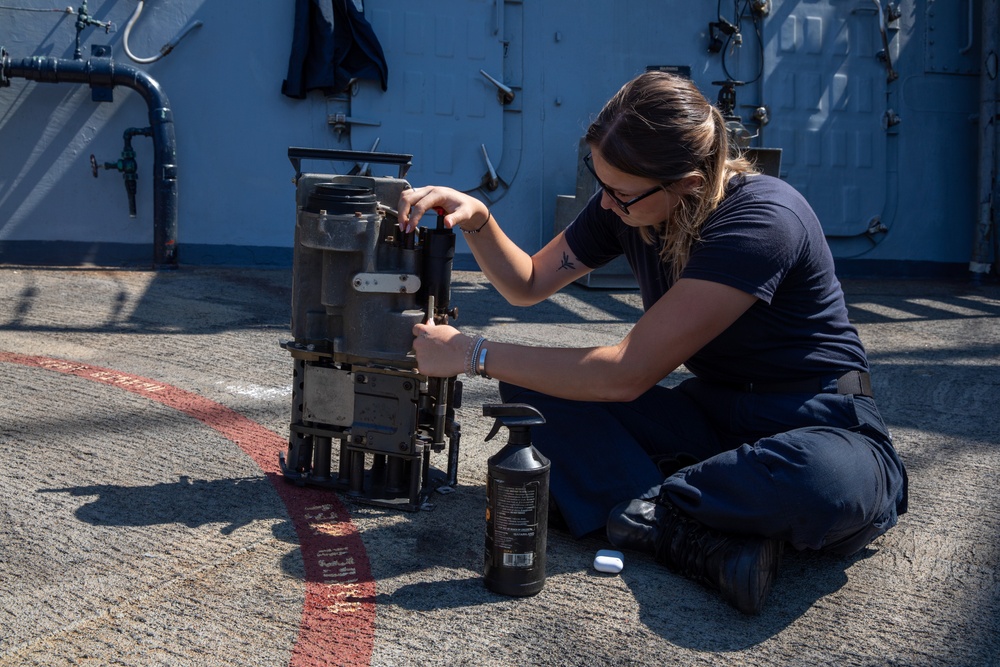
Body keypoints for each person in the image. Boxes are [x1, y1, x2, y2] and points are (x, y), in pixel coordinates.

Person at [396, 70, 908, 615]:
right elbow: (528, 283)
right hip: (712, 415)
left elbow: (626, 374)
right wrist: (479, 219)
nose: (607, 204)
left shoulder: (763, 220)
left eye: (620, 192)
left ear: (687, 181)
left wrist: (472, 352)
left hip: (817, 417)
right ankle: (688, 521)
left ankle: (640, 509)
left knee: (824, 482)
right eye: (601, 183)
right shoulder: (629, 205)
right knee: (537, 394)